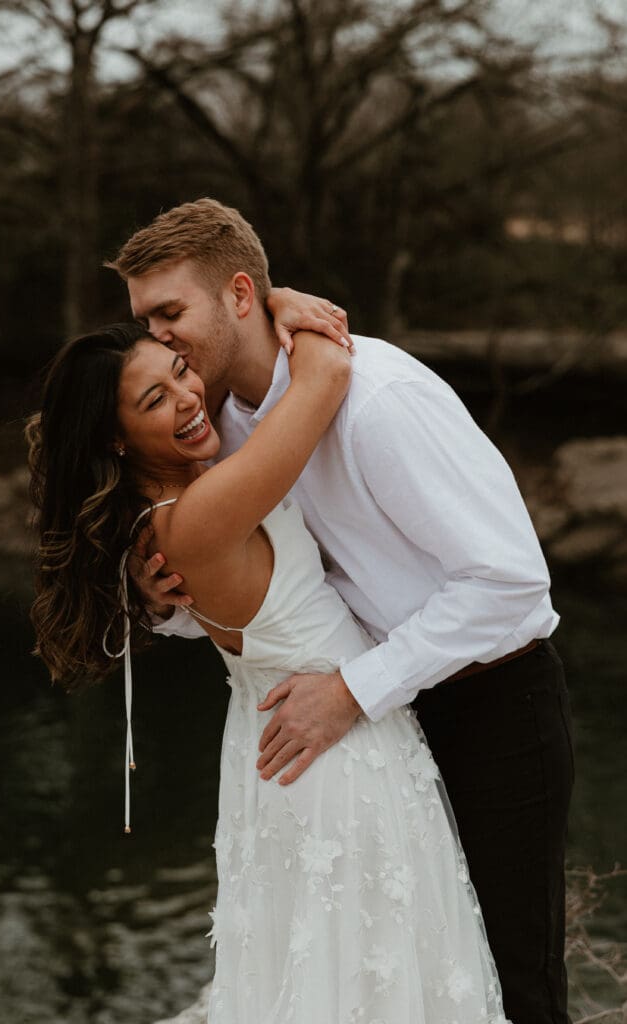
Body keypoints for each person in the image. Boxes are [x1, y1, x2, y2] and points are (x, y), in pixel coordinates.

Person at [107, 198, 574, 1024]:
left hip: (492, 707)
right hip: (374, 736)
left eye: (170, 313)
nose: (158, 339)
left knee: (506, 982)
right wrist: (163, 603)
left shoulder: (377, 399)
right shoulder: (220, 429)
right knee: (394, 971)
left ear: (242, 296)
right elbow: (276, 592)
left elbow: (509, 585)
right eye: (145, 319)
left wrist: (355, 689)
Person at [29, 321, 511, 1023]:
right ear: (116, 437)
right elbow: (323, 378)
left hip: (290, 740)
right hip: (332, 758)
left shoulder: (170, 515)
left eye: (180, 370)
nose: (190, 397)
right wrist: (281, 303)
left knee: (346, 974)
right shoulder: (202, 512)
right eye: (155, 399)